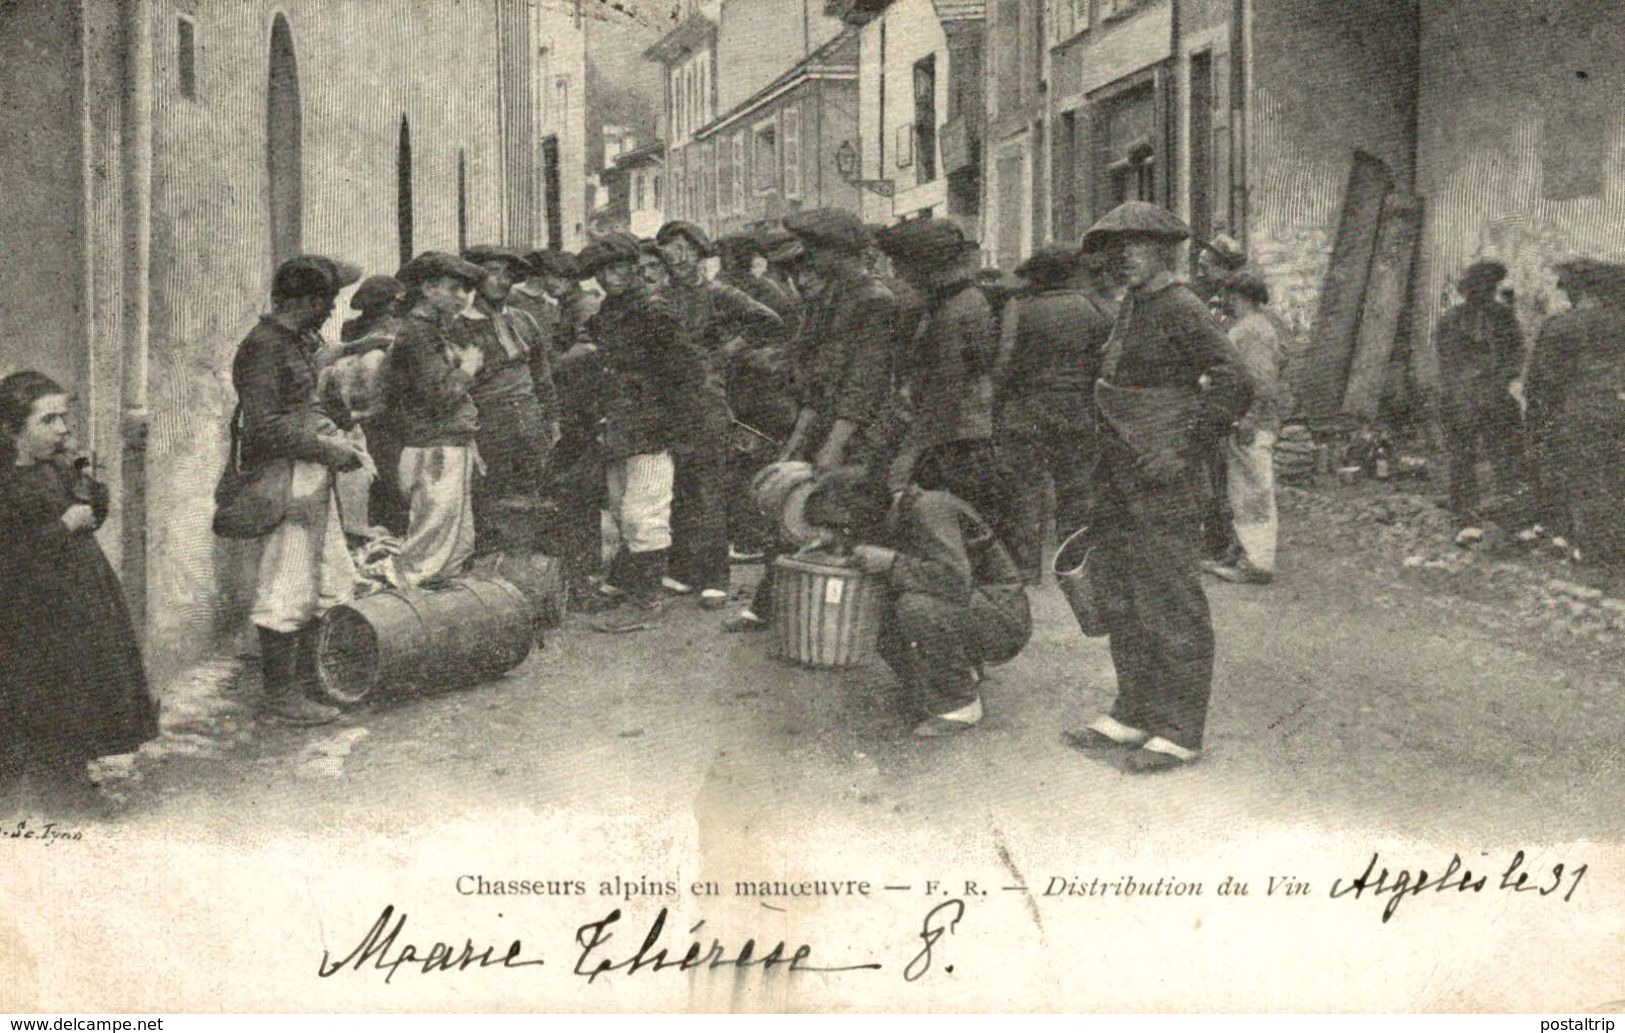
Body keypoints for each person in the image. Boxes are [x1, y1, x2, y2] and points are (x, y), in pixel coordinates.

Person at [1063, 202, 1252, 772]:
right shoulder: (1136, 305)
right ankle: (1135, 711)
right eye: (1116, 247)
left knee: (1170, 597)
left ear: (1164, 250)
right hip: (1122, 473)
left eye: (1137, 245)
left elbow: (1233, 380)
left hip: (1162, 476)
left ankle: (1178, 728)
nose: (1124, 256)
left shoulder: (1180, 305)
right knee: (1123, 590)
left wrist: (1182, 449)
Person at [723, 209, 901, 633]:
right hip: (827, 420)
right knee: (795, 510)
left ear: (840, 251)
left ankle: (858, 617)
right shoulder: (834, 298)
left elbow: (865, 383)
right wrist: (800, 437)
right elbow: (819, 376)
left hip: (859, 429)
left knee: (848, 517)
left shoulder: (873, 300)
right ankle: (781, 604)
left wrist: (835, 443)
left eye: (817, 250)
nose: (811, 261)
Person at [227, 254, 370, 725]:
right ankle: (279, 696)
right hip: (284, 477)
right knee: (286, 583)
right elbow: (264, 428)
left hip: (307, 474)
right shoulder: (264, 347)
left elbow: (302, 399)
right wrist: (327, 449)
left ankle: (310, 682)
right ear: (306, 300)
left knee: (325, 578)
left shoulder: (291, 340)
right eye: (327, 300)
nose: (332, 310)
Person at [0, 372, 158, 792]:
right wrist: (62, 526)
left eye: (63, 418)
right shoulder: (6, 483)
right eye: (48, 420)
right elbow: (9, 554)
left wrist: (80, 474)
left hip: (78, 602)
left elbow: (94, 511)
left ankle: (68, 775)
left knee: (80, 690)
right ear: (11, 428)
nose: (62, 429)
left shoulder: (55, 469)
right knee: (40, 695)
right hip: (30, 612)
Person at [803, 466, 1030, 738]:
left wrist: (892, 562)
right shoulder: (897, 512)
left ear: (864, 513)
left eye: (841, 527)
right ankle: (952, 678)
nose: (841, 534)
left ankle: (959, 705)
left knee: (916, 608)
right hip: (976, 607)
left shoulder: (929, 509)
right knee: (885, 605)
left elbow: (954, 580)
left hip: (1003, 617)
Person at [576, 232, 710, 632]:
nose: (609, 277)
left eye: (617, 267)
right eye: (601, 271)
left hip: (652, 427)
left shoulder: (654, 311)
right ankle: (631, 585)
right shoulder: (609, 312)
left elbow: (686, 374)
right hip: (618, 424)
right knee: (620, 510)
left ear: (635, 266)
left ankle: (647, 600)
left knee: (643, 515)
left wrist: (680, 428)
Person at [655, 220, 786, 609]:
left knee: (708, 488)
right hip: (668, 402)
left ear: (699, 254)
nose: (676, 258)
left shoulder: (720, 294)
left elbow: (769, 322)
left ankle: (714, 577)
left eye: (683, 249)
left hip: (707, 401)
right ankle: (681, 571)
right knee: (675, 488)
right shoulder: (657, 297)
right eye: (669, 251)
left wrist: (729, 350)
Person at [875, 219, 1017, 556]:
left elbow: (944, 393)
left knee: (951, 546)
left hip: (955, 446)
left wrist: (908, 455)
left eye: (901, 265)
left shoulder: (953, 311)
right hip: (963, 439)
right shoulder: (962, 301)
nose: (899, 274)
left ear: (925, 265)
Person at [996, 244, 1115, 582]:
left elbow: (1004, 363)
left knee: (1024, 491)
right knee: (1075, 489)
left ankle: (1025, 569)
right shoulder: (1092, 309)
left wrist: (1000, 404)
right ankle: (1072, 566)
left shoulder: (1019, 308)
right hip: (1077, 410)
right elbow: (1107, 363)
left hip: (1026, 411)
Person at [388, 251, 487, 586]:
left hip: (447, 445)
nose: (463, 298)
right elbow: (438, 396)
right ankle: (400, 616)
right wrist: (468, 369)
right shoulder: (417, 334)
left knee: (455, 543)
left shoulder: (433, 330)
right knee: (428, 547)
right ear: (428, 289)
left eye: (466, 291)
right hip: (434, 448)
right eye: (454, 289)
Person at [456, 245, 561, 555]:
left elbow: (542, 376)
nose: (501, 281)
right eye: (492, 273)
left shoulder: (524, 320)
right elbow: (458, 388)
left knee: (538, 499)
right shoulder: (458, 325)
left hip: (530, 422)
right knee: (489, 502)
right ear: (475, 279)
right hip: (489, 425)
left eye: (507, 275)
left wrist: (552, 421)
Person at [1525, 257, 1625, 564]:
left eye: (1567, 289)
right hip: (1617, 408)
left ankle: (1584, 545)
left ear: (1578, 291)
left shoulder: (1562, 325)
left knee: (1577, 474)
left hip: (1576, 409)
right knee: (1613, 475)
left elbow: (1542, 379)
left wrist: (1538, 414)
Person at [1203, 271, 1291, 585]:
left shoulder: (1254, 330)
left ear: (1238, 296)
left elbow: (1262, 382)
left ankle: (1257, 562)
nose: (1221, 300)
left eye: (1226, 294)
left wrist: (1250, 418)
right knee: (1241, 488)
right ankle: (1242, 552)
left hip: (1250, 422)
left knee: (1253, 490)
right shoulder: (1248, 327)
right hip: (1240, 419)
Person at [1434, 259, 1529, 519]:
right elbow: (1446, 359)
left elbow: (1516, 355)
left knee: (1498, 451)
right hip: (1470, 394)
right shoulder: (1459, 319)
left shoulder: (1499, 317)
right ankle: (1476, 507)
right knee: (1473, 452)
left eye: (1488, 286)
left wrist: (1499, 380)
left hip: (1481, 393)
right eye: (1480, 287)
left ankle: (1492, 506)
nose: (1484, 291)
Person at [325, 274, 406, 537]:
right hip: (378, 408)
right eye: (391, 301)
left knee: (373, 466)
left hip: (365, 407)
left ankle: (370, 521)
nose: (394, 306)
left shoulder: (351, 328)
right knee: (380, 466)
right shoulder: (393, 328)